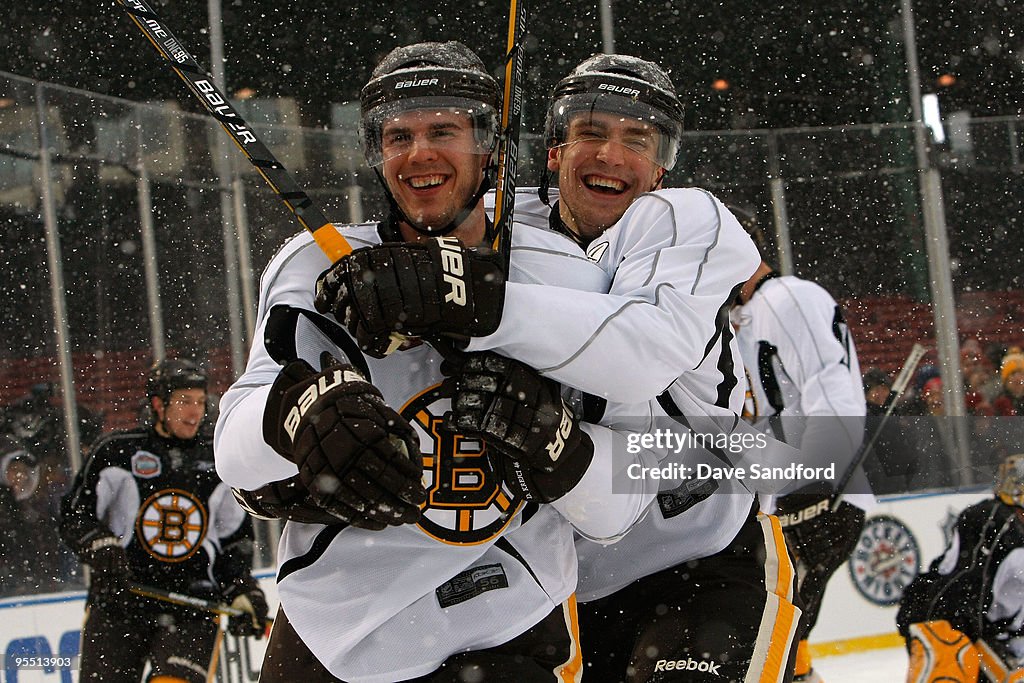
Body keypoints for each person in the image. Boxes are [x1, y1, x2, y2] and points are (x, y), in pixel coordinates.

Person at [319, 52, 802, 680]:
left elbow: (637, 352)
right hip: (572, 582)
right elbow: (417, 266)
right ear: (552, 151)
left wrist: (461, 297)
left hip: (703, 556)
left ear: (662, 166)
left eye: (638, 139)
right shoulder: (499, 230)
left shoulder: (689, 221)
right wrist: (378, 300)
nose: (611, 155)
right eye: (592, 132)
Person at [216, 42, 661, 682]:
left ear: (489, 148)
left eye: (444, 131)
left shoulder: (575, 279)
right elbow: (235, 454)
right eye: (399, 136)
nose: (419, 153)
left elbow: (622, 504)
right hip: (334, 628)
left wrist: (552, 438)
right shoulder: (314, 267)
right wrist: (301, 412)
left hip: (505, 625)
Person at [60, 358, 267, 683]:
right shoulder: (117, 453)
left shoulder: (218, 457)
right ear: (158, 404)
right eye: (185, 401)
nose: (195, 411)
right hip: (119, 602)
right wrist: (97, 543)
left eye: (200, 402)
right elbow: (75, 515)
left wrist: (242, 589)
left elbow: (233, 540)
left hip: (193, 608)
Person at [730, 206, 871, 683]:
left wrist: (813, 478)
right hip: (787, 498)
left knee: (769, 634)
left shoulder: (790, 299)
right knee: (774, 637)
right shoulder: (743, 319)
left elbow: (834, 394)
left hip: (816, 498)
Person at [897, 453, 1024, 683]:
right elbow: (960, 593)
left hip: (990, 634)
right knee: (948, 643)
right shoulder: (996, 521)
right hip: (950, 626)